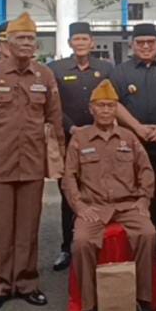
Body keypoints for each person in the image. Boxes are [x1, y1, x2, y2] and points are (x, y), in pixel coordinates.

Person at [0, 12, 63, 311]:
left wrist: (58, 158)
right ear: (7, 44)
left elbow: (54, 120)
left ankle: (26, 282)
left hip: (33, 163)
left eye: (30, 38)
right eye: (20, 38)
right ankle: (0, 285)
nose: (26, 43)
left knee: (28, 227)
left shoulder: (44, 76)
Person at [63, 79, 156, 311]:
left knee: (148, 235)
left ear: (116, 109)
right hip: (93, 207)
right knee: (82, 242)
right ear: (91, 109)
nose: (105, 110)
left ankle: (142, 301)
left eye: (110, 106)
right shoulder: (80, 138)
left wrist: (144, 200)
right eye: (101, 106)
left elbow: (146, 171)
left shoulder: (129, 137)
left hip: (127, 206)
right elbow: (69, 176)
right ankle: (89, 307)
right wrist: (79, 206)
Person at [110, 22, 156, 268]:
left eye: (150, 42)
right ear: (132, 45)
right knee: (131, 191)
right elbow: (115, 104)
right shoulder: (120, 72)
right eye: (140, 43)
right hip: (131, 141)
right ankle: (132, 243)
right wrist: (138, 128)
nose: (145, 47)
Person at [47, 21, 115, 272]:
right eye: (76, 40)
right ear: (69, 44)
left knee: (100, 188)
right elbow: (52, 106)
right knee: (70, 192)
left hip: (100, 139)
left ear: (92, 42)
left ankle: (99, 241)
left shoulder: (106, 69)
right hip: (70, 138)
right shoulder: (56, 69)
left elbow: (111, 102)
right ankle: (68, 247)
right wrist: (72, 128)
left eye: (85, 39)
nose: (81, 44)